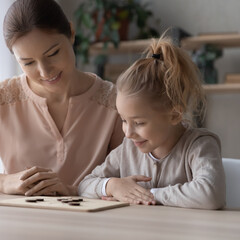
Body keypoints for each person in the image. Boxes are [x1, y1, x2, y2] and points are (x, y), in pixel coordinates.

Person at [0, 0, 124, 196]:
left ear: (71, 33)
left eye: (53, 53)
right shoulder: (1, 99)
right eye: (28, 62)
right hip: (15, 223)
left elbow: (132, 179)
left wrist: (72, 191)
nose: (45, 71)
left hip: (91, 224)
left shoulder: (112, 102)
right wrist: (2, 182)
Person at [78, 34, 226, 209]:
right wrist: (112, 186)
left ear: (174, 115)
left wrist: (149, 195)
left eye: (139, 123)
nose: (128, 132)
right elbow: (84, 186)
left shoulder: (199, 145)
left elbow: (211, 195)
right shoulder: (127, 149)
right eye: (124, 120)